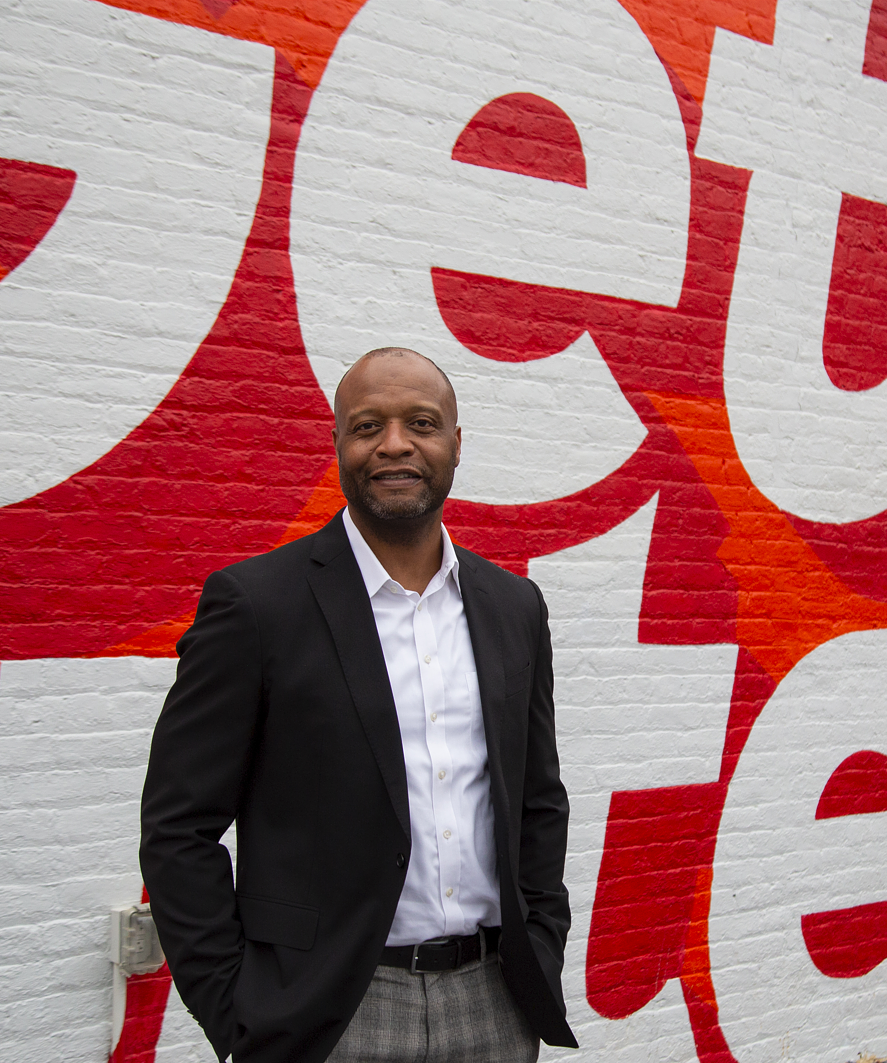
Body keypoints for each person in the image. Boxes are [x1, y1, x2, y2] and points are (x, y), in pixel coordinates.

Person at [140, 347, 576, 1063]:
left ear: (455, 444)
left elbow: (537, 798)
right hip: (330, 1012)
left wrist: (540, 942)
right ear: (339, 444)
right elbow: (177, 827)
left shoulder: (513, 605)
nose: (395, 443)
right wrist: (237, 1011)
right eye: (367, 424)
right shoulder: (256, 605)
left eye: (422, 423)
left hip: (495, 1001)